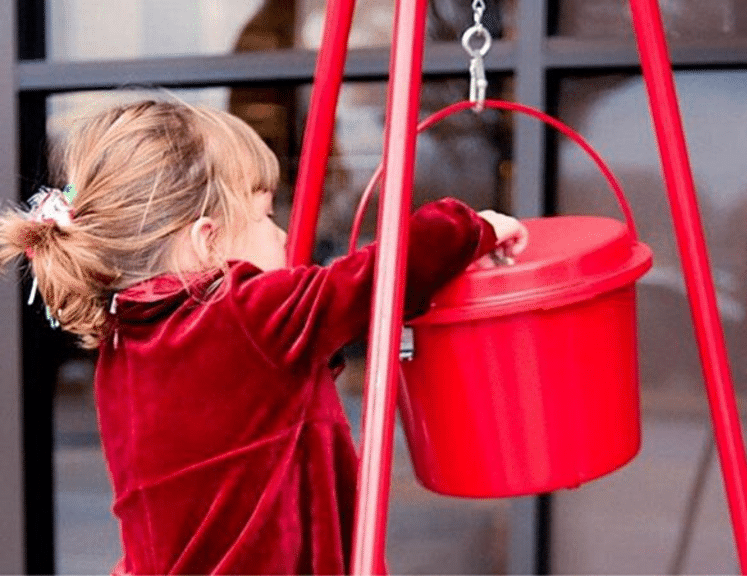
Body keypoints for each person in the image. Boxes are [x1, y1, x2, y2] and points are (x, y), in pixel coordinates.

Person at [0, 100, 527, 575]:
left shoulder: (123, 344)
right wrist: (470, 227)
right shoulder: (240, 313)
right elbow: (372, 281)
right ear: (207, 243)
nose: (282, 234)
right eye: (265, 216)